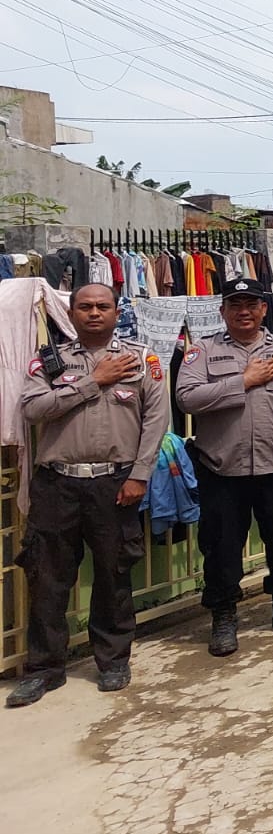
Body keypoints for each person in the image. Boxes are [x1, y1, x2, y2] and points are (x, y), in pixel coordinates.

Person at [8, 283, 169, 706]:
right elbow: (32, 409)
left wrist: (140, 476)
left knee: (113, 573)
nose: (94, 313)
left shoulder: (142, 359)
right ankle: (44, 669)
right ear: (73, 313)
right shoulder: (50, 360)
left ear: (117, 312)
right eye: (85, 307)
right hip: (57, 484)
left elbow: (156, 421)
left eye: (103, 306)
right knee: (47, 577)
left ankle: (113, 660)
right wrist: (92, 381)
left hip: (114, 483)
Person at [175, 278, 273, 658]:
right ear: (222, 310)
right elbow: (187, 398)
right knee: (221, 546)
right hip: (221, 467)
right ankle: (224, 615)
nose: (244, 311)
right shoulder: (202, 351)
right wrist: (243, 381)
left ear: (263, 309)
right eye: (235, 304)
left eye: (251, 304)